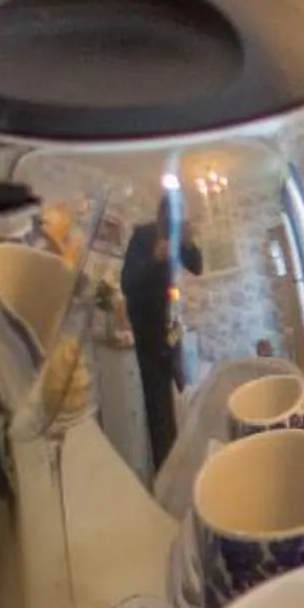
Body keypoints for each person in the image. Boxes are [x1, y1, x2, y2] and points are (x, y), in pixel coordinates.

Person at [117, 192, 202, 470]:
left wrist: (188, 243)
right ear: (161, 212)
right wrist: (154, 257)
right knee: (156, 403)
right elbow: (127, 282)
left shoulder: (178, 236)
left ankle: (174, 458)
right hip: (145, 328)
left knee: (172, 391)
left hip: (168, 325)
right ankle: (164, 466)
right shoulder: (143, 235)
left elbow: (198, 267)